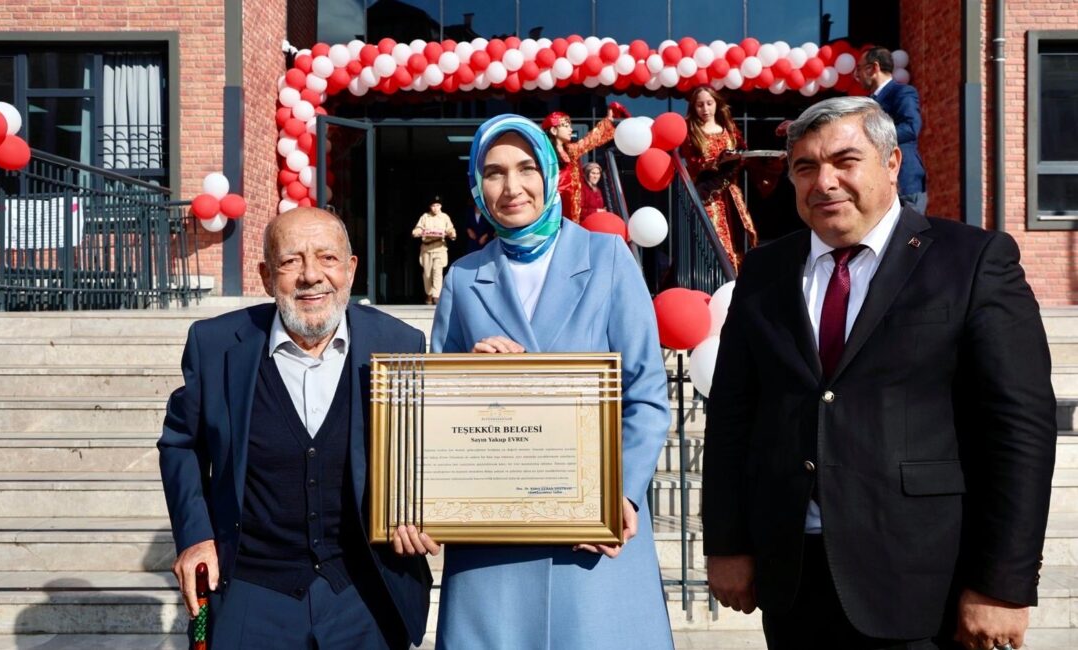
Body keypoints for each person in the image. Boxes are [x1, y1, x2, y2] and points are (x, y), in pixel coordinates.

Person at [702, 97, 1056, 650]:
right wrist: (726, 543)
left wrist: (1003, 586)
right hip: (795, 581)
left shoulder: (972, 261)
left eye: (846, 160)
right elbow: (731, 416)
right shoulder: (765, 271)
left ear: (891, 164)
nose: (825, 182)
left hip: (924, 583)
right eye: (805, 167)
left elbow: (1019, 430)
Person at [400, 114, 673, 649]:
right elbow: (434, 411)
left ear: (549, 173)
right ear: (478, 185)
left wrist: (624, 492)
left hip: (592, 537)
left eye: (526, 168)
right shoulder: (461, 277)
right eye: (494, 172)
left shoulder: (608, 257)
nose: (512, 186)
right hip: (493, 551)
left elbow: (645, 391)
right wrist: (471, 377)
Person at [158, 207, 433, 649]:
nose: (311, 276)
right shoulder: (215, 345)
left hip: (363, 591)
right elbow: (180, 444)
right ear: (267, 276)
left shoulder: (399, 343)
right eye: (291, 261)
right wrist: (196, 536)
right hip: (251, 588)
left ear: (351, 268)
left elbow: (428, 443)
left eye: (327, 258)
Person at [680, 85, 758, 273]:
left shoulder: (729, 129)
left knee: (738, 238)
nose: (705, 109)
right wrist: (715, 165)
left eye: (709, 103)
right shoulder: (691, 132)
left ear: (717, 103)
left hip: (730, 195)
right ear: (694, 107)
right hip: (707, 195)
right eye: (700, 105)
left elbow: (743, 154)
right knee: (715, 239)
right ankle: (718, 281)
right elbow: (693, 164)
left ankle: (734, 283)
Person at [855, 46, 928, 214]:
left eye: (859, 68)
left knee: (911, 238)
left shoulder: (902, 92)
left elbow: (910, 128)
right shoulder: (866, 103)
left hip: (904, 181)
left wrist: (868, 136)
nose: (856, 75)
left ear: (874, 68)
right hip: (876, 184)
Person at [542, 101, 628, 224]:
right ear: (554, 131)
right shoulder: (544, 156)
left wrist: (608, 121)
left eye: (570, 126)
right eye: (566, 126)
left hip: (573, 214)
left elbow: (591, 140)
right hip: (553, 211)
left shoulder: (571, 151)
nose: (570, 130)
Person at [412, 196, 457, 304]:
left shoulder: (445, 217)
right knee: (427, 274)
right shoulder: (425, 217)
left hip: (440, 248)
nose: (435, 208)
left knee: (438, 271)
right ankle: (429, 294)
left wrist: (451, 233)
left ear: (440, 206)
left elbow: (451, 229)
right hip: (427, 248)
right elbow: (417, 229)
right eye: (433, 205)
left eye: (437, 205)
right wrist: (419, 232)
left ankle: (436, 296)